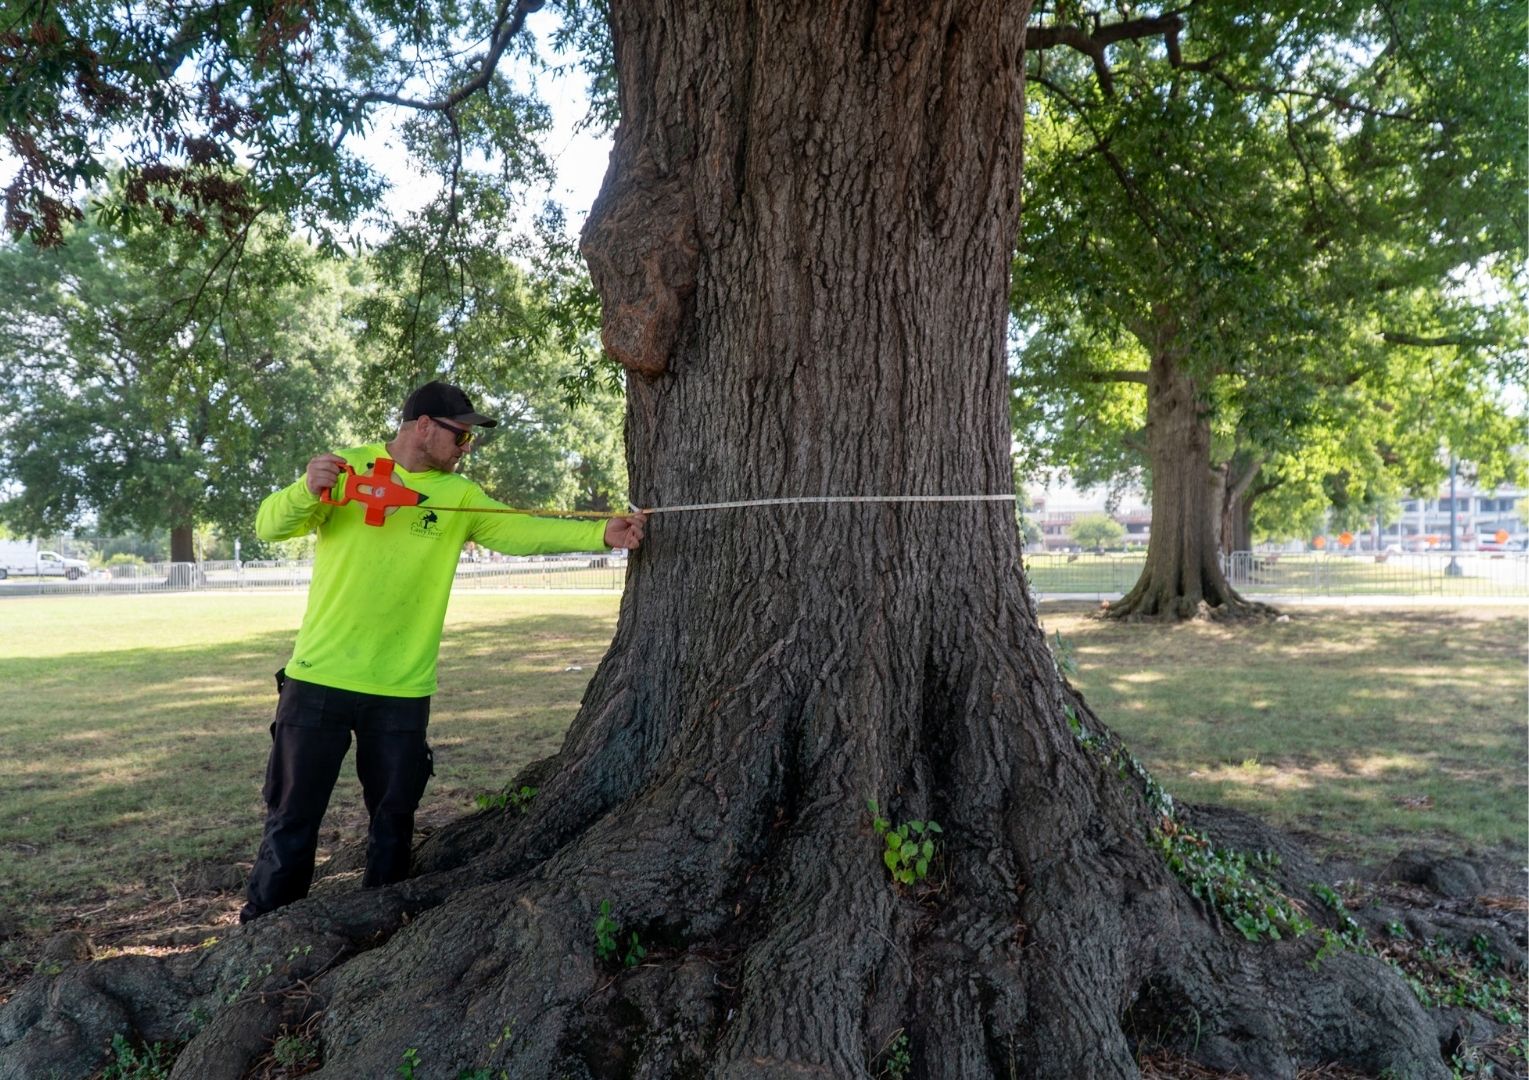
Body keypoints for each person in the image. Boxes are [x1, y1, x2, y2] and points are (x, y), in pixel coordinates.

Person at [240, 380, 646, 922]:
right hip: (319, 680)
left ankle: (380, 927)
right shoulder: (348, 470)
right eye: (461, 436)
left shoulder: (459, 497)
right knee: (292, 815)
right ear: (424, 426)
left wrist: (602, 536)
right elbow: (270, 526)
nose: (466, 449)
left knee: (393, 820)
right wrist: (304, 490)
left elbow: (520, 530)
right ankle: (264, 929)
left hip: (402, 688)